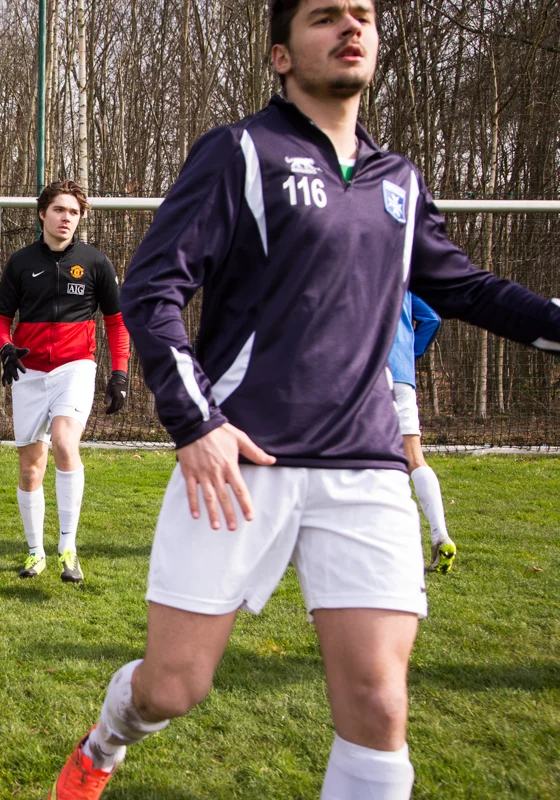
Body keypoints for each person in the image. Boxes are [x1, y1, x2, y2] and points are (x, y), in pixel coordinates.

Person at [47, 2, 560, 798]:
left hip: (367, 464)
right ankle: (109, 737)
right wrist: (196, 424)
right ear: (282, 54)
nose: (351, 28)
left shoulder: (399, 180)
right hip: (241, 460)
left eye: (362, 15)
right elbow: (153, 290)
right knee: (174, 686)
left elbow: (468, 288)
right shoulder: (240, 153)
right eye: (326, 17)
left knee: (380, 703)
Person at [0, 179, 130, 584]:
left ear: (80, 218)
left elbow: (117, 323)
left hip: (75, 367)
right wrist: (5, 347)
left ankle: (68, 548)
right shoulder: (20, 262)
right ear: (42, 214)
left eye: (73, 212)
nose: (66, 218)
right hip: (29, 372)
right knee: (31, 468)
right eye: (59, 210)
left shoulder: (96, 262)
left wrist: (119, 373)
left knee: (66, 444)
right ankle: (36, 553)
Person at [388, 292, 456, 573]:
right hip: (403, 376)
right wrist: (408, 354)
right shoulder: (405, 275)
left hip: (365, 373)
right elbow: (431, 318)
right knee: (415, 458)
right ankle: (441, 534)